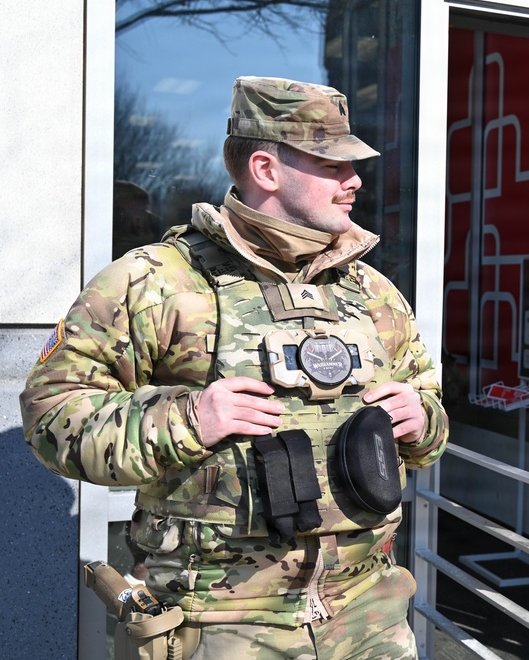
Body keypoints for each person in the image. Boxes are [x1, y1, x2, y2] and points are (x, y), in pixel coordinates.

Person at [20, 76, 449, 660]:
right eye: (332, 164)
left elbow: (432, 418)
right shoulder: (155, 281)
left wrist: (420, 421)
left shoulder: (371, 291)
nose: (354, 181)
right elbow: (53, 417)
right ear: (267, 170)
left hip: (369, 616)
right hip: (218, 623)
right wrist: (190, 418)